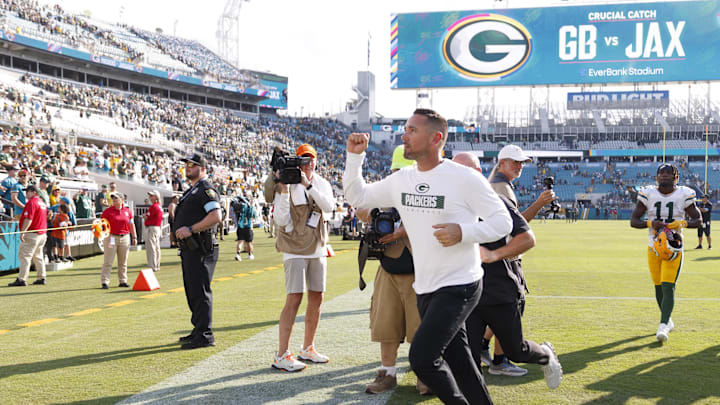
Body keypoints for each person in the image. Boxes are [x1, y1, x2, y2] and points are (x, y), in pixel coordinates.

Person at [344, 109, 513, 405]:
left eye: (412, 130)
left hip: (461, 284)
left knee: (422, 358)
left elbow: (503, 223)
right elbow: (358, 197)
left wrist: (463, 232)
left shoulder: (463, 178)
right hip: (425, 287)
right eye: (405, 128)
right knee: (460, 362)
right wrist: (354, 157)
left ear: (436, 139)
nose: (403, 135)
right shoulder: (402, 180)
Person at [453, 153, 563, 388]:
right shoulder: (447, 204)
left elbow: (526, 238)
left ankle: (545, 354)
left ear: (478, 174)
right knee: (468, 362)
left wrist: (494, 255)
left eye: (465, 171)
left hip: (497, 288)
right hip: (466, 291)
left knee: (517, 350)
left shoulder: (494, 201)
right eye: (454, 170)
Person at [481, 144, 557, 375]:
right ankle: (500, 359)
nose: (519, 166)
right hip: (504, 257)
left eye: (521, 162)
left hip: (494, 256)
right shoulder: (501, 188)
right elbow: (515, 229)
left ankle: (484, 348)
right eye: (514, 161)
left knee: (493, 309)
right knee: (510, 308)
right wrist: (539, 203)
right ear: (501, 162)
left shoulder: (497, 185)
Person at [361, 145, 428, 395]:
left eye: (404, 171)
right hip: (388, 268)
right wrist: (378, 213)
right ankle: (387, 373)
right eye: (397, 172)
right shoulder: (385, 191)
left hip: (419, 268)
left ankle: (425, 374)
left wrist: (405, 226)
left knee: (421, 326)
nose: (401, 177)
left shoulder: (426, 192)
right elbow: (360, 207)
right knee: (385, 325)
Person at [268, 143, 334, 372]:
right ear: (296, 161)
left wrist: (309, 186)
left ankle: (308, 347)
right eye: (303, 159)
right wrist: (285, 188)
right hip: (294, 249)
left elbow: (329, 207)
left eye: (310, 159)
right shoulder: (287, 183)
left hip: (317, 247)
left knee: (317, 297)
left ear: (316, 161)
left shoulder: (322, 183)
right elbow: (282, 220)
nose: (307, 164)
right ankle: (282, 354)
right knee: (294, 298)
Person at [630, 163, 701, 343]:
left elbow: (698, 220)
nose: (665, 176)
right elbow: (634, 220)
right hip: (653, 245)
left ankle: (663, 325)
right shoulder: (649, 193)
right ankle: (667, 319)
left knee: (668, 285)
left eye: (669, 173)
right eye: (662, 173)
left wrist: (682, 224)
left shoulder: (684, 194)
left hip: (674, 246)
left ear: (676, 177)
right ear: (656, 177)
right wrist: (650, 223)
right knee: (658, 287)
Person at [172, 153, 222, 350]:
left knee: (200, 292)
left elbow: (216, 215)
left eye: (192, 165)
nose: (188, 168)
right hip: (190, 248)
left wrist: (191, 229)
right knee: (192, 291)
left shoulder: (205, 189)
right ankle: (198, 329)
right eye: (187, 165)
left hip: (200, 247)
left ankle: (205, 335)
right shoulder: (192, 190)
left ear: (202, 168)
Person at [7, 185, 48, 286]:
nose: (26, 194)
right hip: (42, 233)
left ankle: (22, 279)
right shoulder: (41, 202)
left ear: (34, 192)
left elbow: (28, 219)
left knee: (25, 256)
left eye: (28, 191)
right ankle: (41, 277)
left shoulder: (31, 202)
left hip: (32, 233)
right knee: (38, 257)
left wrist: (23, 232)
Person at [100, 192, 137, 289]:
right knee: (108, 260)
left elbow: (131, 224)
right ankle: (105, 281)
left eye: (116, 198)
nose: (114, 200)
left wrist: (134, 237)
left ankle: (123, 280)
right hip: (111, 237)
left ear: (122, 200)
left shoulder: (127, 211)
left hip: (125, 237)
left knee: (123, 261)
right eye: (113, 198)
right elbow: (102, 224)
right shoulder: (107, 211)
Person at [143, 190, 163, 272]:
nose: (150, 197)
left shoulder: (154, 207)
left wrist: (145, 216)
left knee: (151, 248)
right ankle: (156, 265)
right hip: (157, 228)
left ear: (156, 197)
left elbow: (147, 217)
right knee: (156, 247)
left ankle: (152, 266)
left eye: (152, 196)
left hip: (152, 228)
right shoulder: (159, 206)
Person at [233, 195, 256, 261]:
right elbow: (253, 215)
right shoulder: (249, 207)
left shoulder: (239, 207)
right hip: (248, 227)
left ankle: (238, 254)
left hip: (240, 226)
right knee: (249, 242)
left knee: (240, 241)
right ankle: (250, 254)